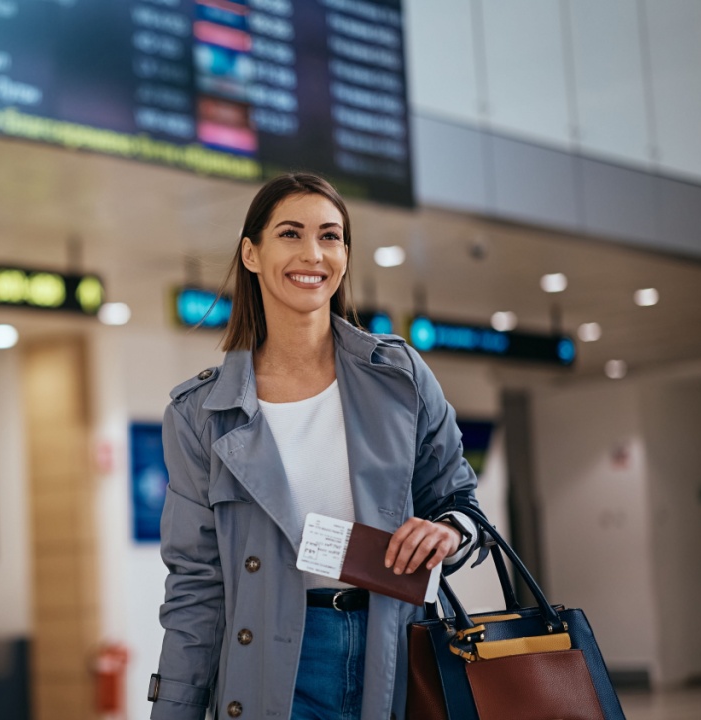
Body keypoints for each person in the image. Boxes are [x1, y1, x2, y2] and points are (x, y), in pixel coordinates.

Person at [148, 173, 481, 720]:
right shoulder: (199, 416)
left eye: (330, 236)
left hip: (397, 652)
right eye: (290, 234)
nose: (313, 253)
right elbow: (196, 589)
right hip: (274, 668)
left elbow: (460, 501)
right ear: (251, 254)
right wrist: (174, 710)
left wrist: (447, 530)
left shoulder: (400, 377)